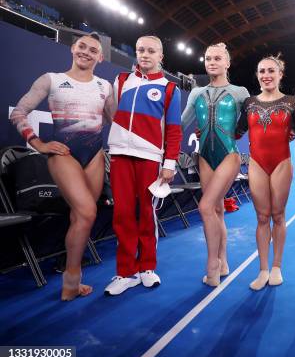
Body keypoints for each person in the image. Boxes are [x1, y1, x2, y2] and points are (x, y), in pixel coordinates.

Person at [10, 33, 114, 301]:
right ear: (72, 48)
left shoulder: (105, 86)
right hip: (64, 154)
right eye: (82, 47)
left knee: (81, 218)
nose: (87, 52)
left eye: (93, 50)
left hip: (94, 155)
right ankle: (72, 279)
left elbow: (118, 122)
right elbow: (18, 112)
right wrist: (38, 143)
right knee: (88, 212)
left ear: (100, 57)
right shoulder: (52, 79)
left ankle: (72, 282)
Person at [104, 35, 182, 296]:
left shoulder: (170, 89)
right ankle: (126, 272)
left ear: (161, 56)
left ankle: (147, 267)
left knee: (147, 213)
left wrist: (169, 163)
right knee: (122, 214)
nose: (145, 55)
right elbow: (114, 115)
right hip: (119, 155)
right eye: (140, 50)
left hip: (150, 158)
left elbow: (173, 130)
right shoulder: (122, 81)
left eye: (151, 51)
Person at [181, 43, 249, 287]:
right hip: (205, 156)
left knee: (205, 207)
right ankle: (223, 261)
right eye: (208, 58)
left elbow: (251, 120)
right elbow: (180, 123)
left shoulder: (239, 92)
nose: (211, 62)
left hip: (229, 154)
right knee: (217, 210)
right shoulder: (196, 93)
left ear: (227, 63)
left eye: (217, 58)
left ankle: (211, 264)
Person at [236, 54, 295, 290]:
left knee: (278, 215)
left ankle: (277, 266)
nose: (266, 75)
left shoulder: (292, 102)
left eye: (271, 71)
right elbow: (236, 131)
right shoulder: (249, 103)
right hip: (257, 163)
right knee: (262, 217)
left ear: (280, 74)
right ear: (257, 75)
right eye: (262, 71)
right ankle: (263, 269)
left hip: (281, 162)